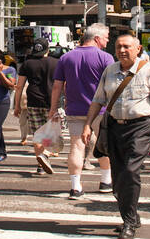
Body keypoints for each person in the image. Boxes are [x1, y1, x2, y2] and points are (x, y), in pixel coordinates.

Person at [80, 33, 150, 239]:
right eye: (119, 46)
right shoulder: (109, 70)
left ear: (137, 49)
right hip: (113, 127)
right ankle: (132, 214)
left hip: (139, 127)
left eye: (127, 47)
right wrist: (87, 125)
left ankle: (128, 222)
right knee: (118, 177)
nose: (122, 50)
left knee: (130, 171)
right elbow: (98, 100)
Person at [48, 23, 115, 199]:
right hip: (100, 110)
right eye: (106, 37)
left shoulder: (66, 58)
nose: (107, 41)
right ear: (97, 38)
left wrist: (53, 108)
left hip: (75, 109)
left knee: (76, 147)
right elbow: (113, 86)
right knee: (104, 145)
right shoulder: (106, 58)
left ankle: (75, 187)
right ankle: (106, 181)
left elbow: (57, 86)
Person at [14, 40, 58, 175]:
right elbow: (63, 84)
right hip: (52, 102)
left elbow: (19, 86)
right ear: (48, 50)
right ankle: (45, 153)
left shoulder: (27, 64)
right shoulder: (56, 63)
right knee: (52, 133)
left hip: (33, 101)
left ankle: (40, 165)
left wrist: (17, 105)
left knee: (38, 134)